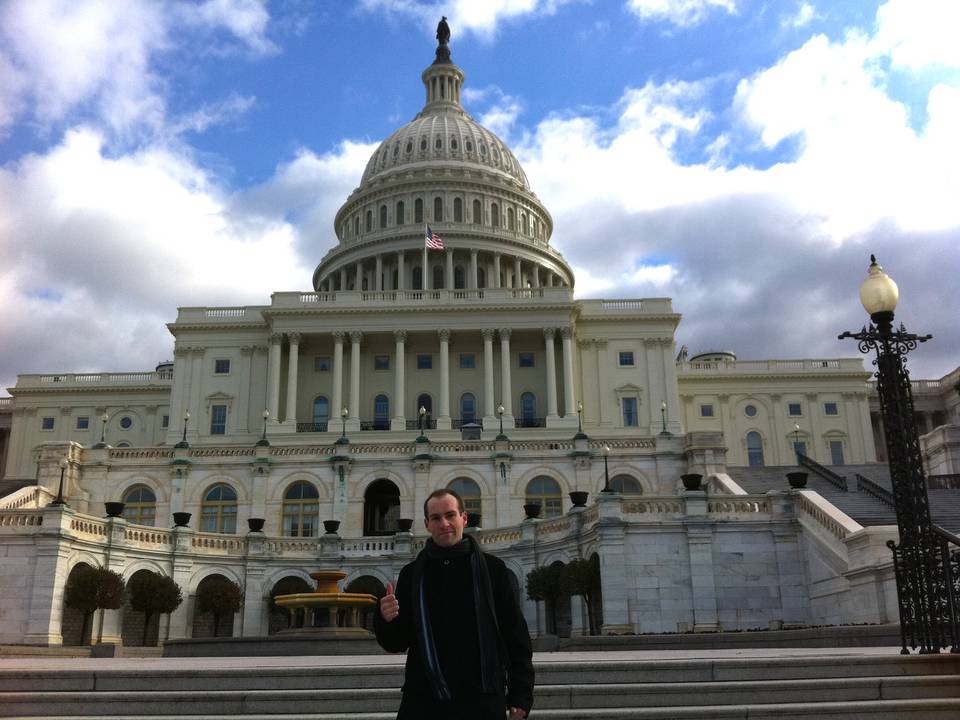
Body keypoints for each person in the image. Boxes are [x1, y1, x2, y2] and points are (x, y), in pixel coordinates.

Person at [374, 488, 534, 719]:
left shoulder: (493, 570)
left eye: (450, 515)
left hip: (481, 701)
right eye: (436, 518)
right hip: (424, 701)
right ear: (427, 524)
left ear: (464, 518)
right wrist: (385, 619)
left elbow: (515, 635)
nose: (444, 523)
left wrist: (521, 696)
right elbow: (397, 642)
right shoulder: (412, 574)